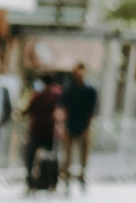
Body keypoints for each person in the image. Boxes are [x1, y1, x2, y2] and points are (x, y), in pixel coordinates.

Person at [22, 75, 63, 195]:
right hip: (39, 132)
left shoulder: (54, 96)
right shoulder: (38, 96)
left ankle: (50, 184)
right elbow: (28, 111)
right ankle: (33, 184)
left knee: (49, 159)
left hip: (48, 133)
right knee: (32, 157)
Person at [59, 63, 96, 192]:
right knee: (67, 157)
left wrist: (88, 129)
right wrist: (63, 127)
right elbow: (63, 108)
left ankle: (82, 177)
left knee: (83, 156)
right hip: (70, 126)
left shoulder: (90, 90)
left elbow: (92, 111)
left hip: (83, 127)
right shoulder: (69, 88)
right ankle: (66, 180)